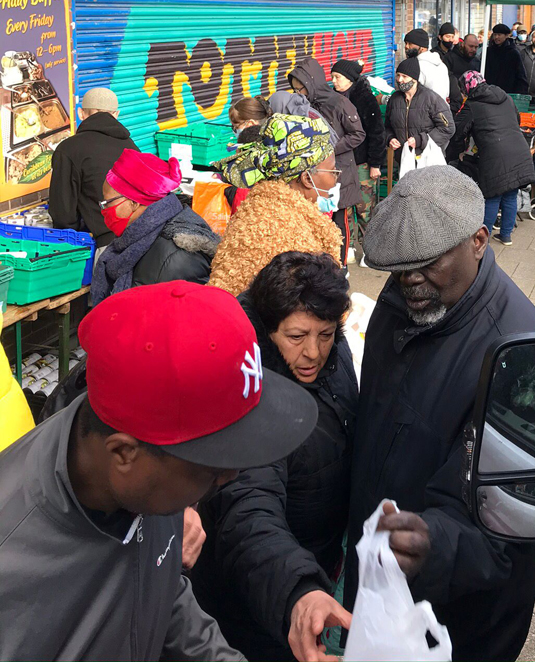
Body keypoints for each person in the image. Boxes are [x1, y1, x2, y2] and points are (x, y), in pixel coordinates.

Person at [0, 280, 319, 662]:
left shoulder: (146, 482)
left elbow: (158, 592)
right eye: (212, 467)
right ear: (124, 453)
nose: (231, 476)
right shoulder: (13, 563)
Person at [344, 165, 535, 662]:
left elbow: (508, 532)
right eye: (400, 267)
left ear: (479, 241)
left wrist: (433, 543)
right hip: (383, 586)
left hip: (458, 624)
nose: (410, 280)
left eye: (428, 263)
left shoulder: (521, 357)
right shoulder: (404, 299)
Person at [192, 253, 357, 662]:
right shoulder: (250, 395)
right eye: (297, 336)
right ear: (268, 329)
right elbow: (247, 509)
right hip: (261, 598)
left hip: (320, 556)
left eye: (325, 334)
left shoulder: (336, 355)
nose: (313, 352)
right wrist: (298, 592)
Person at [210, 114, 342, 298]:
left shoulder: (263, 208)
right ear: (307, 178)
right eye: (333, 171)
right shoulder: (289, 235)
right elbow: (314, 305)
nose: (336, 179)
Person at [91, 150, 219, 305]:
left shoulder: (176, 258)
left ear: (134, 202)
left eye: (107, 203)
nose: (103, 209)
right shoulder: (137, 235)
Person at [288, 56, 365, 266]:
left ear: (311, 82)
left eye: (301, 88)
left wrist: (329, 149)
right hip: (313, 176)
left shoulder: (340, 103)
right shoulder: (303, 105)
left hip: (339, 173)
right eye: (295, 89)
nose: (298, 93)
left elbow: (358, 134)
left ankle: (341, 266)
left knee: (339, 223)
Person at [48, 87, 139, 250]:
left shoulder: (69, 149)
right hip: (142, 237)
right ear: (116, 114)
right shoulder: (131, 146)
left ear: (81, 113)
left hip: (108, 245)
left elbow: (63, 213)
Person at [451, 71, 535, 246]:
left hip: (495, 155)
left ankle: (483, 240)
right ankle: (506, 235)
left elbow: (457, 131)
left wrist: (460, 147)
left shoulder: (472, 105)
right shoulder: (505, 97)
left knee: (492, 196)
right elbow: (517, 119)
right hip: (519, 150)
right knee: (510, 194)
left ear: (466, 88)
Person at [331, 59, 384, 263]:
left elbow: (376, 133)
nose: (334, 81)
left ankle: (369, 249)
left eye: (338, 77)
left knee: (364, 207)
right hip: (342, 164)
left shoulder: (365, 99)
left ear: (350, 79)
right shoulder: (333, 98)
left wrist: (375, 164)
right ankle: (349, 245)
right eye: (333, 77)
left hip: (362, 163)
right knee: (344, 206)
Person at [385, 58, 454, 158]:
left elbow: (447, 128)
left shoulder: (431, 99)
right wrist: (390, 138)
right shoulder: (394, 99)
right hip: (404, 158)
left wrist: (420, 140)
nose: (399, 80)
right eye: (398, 75)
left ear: (414, 79)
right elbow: (387, 126)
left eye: (404, 76)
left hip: (427, 159)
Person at [402, 28, 451, 102]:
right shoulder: (441, 65)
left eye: (410, 44)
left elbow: (410, 94)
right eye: (406, 43)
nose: (406, 46)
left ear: (422, 47)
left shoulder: (417, 66)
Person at [484, 23, 528, 95]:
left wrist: (521, 92)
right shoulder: (488, 52)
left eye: (499, 35)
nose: (496, 37)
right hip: (491, 91)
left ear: (506, 36)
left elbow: (520, 74)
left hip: (508, 92)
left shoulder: (513, 52)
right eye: (495, 34)